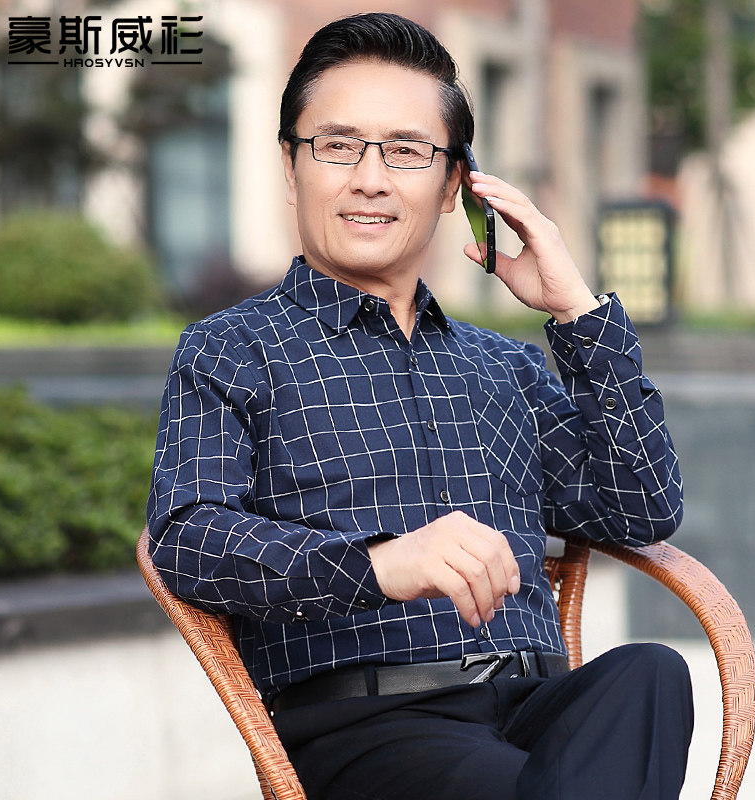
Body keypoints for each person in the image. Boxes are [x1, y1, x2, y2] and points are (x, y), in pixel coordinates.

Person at [147, 12, 693, 800]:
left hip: (533, 710)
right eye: (338, 146)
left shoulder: (506, 366)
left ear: (452, 187)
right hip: (370, 724)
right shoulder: (232, 349)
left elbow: (641, 510)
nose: (370, 178)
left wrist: (576, 310)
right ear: (291, 166)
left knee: (651, 672)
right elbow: (189, 538)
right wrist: (378, 565)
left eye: (406, 151)